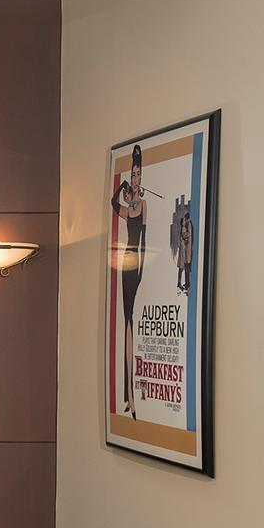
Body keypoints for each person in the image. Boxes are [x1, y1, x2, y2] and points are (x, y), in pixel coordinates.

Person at [110, 145, 147, 418]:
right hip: (125, 261)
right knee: (126, 321)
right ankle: (128, 397)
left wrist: (143, 268)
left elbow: (143, 240)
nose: (136, 179)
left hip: (137, 263)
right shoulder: (126, 207)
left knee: (130, 321)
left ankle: (130, 396)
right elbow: (113, 204)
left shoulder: (142, 205)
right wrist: (119, 187)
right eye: (132, 175)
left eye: (138, 175)